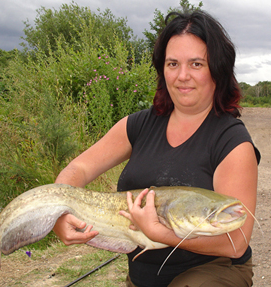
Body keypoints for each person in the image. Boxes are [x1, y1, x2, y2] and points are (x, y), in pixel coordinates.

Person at [53, 10, 260, 287]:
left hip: (214, 271)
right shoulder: (138, 124)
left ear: (218, 69)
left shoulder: (232, 142)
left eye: (196, 64)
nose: (182, 75)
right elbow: (79, 168)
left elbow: (235, 243)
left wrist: (160, 233)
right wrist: (60, 211)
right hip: (144, 275)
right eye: (173, 63)